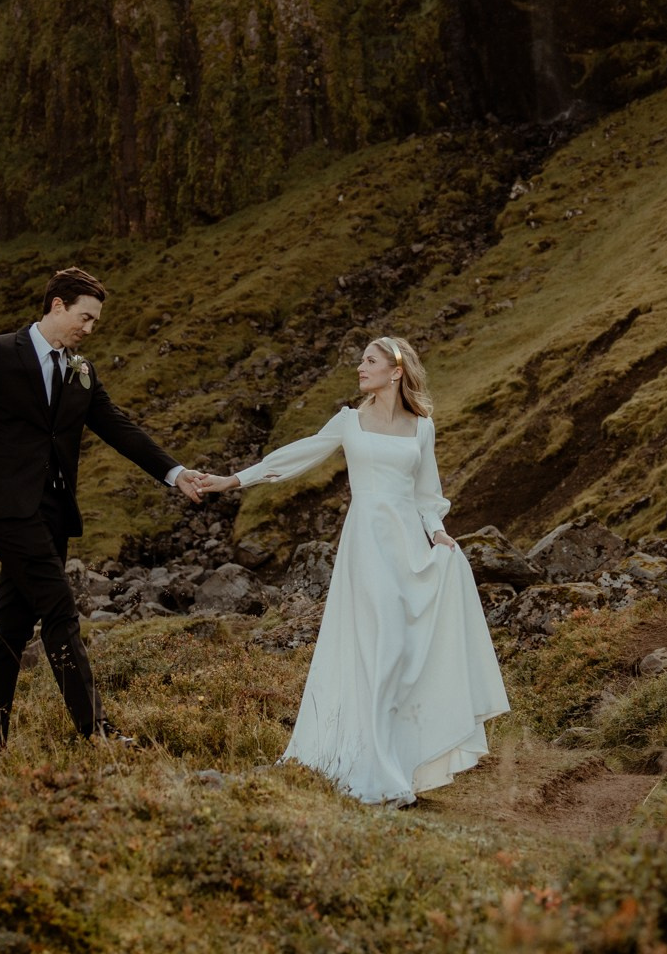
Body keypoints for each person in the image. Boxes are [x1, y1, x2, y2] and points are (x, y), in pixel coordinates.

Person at [189, 336, 508, 804]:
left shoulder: (422, 428)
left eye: (370, 360)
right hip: (366, 546)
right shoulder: (349, 422)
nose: (360, 367)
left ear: (395, 371)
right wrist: (234, 480)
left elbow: (426, 493)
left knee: (401, 652)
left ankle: (397, 760)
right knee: (380, 648)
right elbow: (293, 458)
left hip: (410, 550)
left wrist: (438, 531)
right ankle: (376, 771)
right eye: (361, 360)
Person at [0, 266, 204, 748]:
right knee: (60, 610)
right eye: (85, 317)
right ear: (57, 306)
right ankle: (96, 731)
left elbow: (119, 427)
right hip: (7, 509)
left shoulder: (81, 370)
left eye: (94, 321)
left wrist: (175, 472)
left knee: (10, 625)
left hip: (53, 514)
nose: (89, 328)